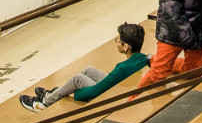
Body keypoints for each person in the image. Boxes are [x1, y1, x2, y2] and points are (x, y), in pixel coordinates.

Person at [18, 24, 149, 111]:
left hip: (111, 95)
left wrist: (73, 94)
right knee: (88, 70)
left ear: (126, 47)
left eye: (118, 41)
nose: (116, 43)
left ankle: (45, 102)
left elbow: (95, 92)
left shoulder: (122, 67)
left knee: (77, 79)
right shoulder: (143, 59)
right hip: (122, 86)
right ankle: (56, 92)